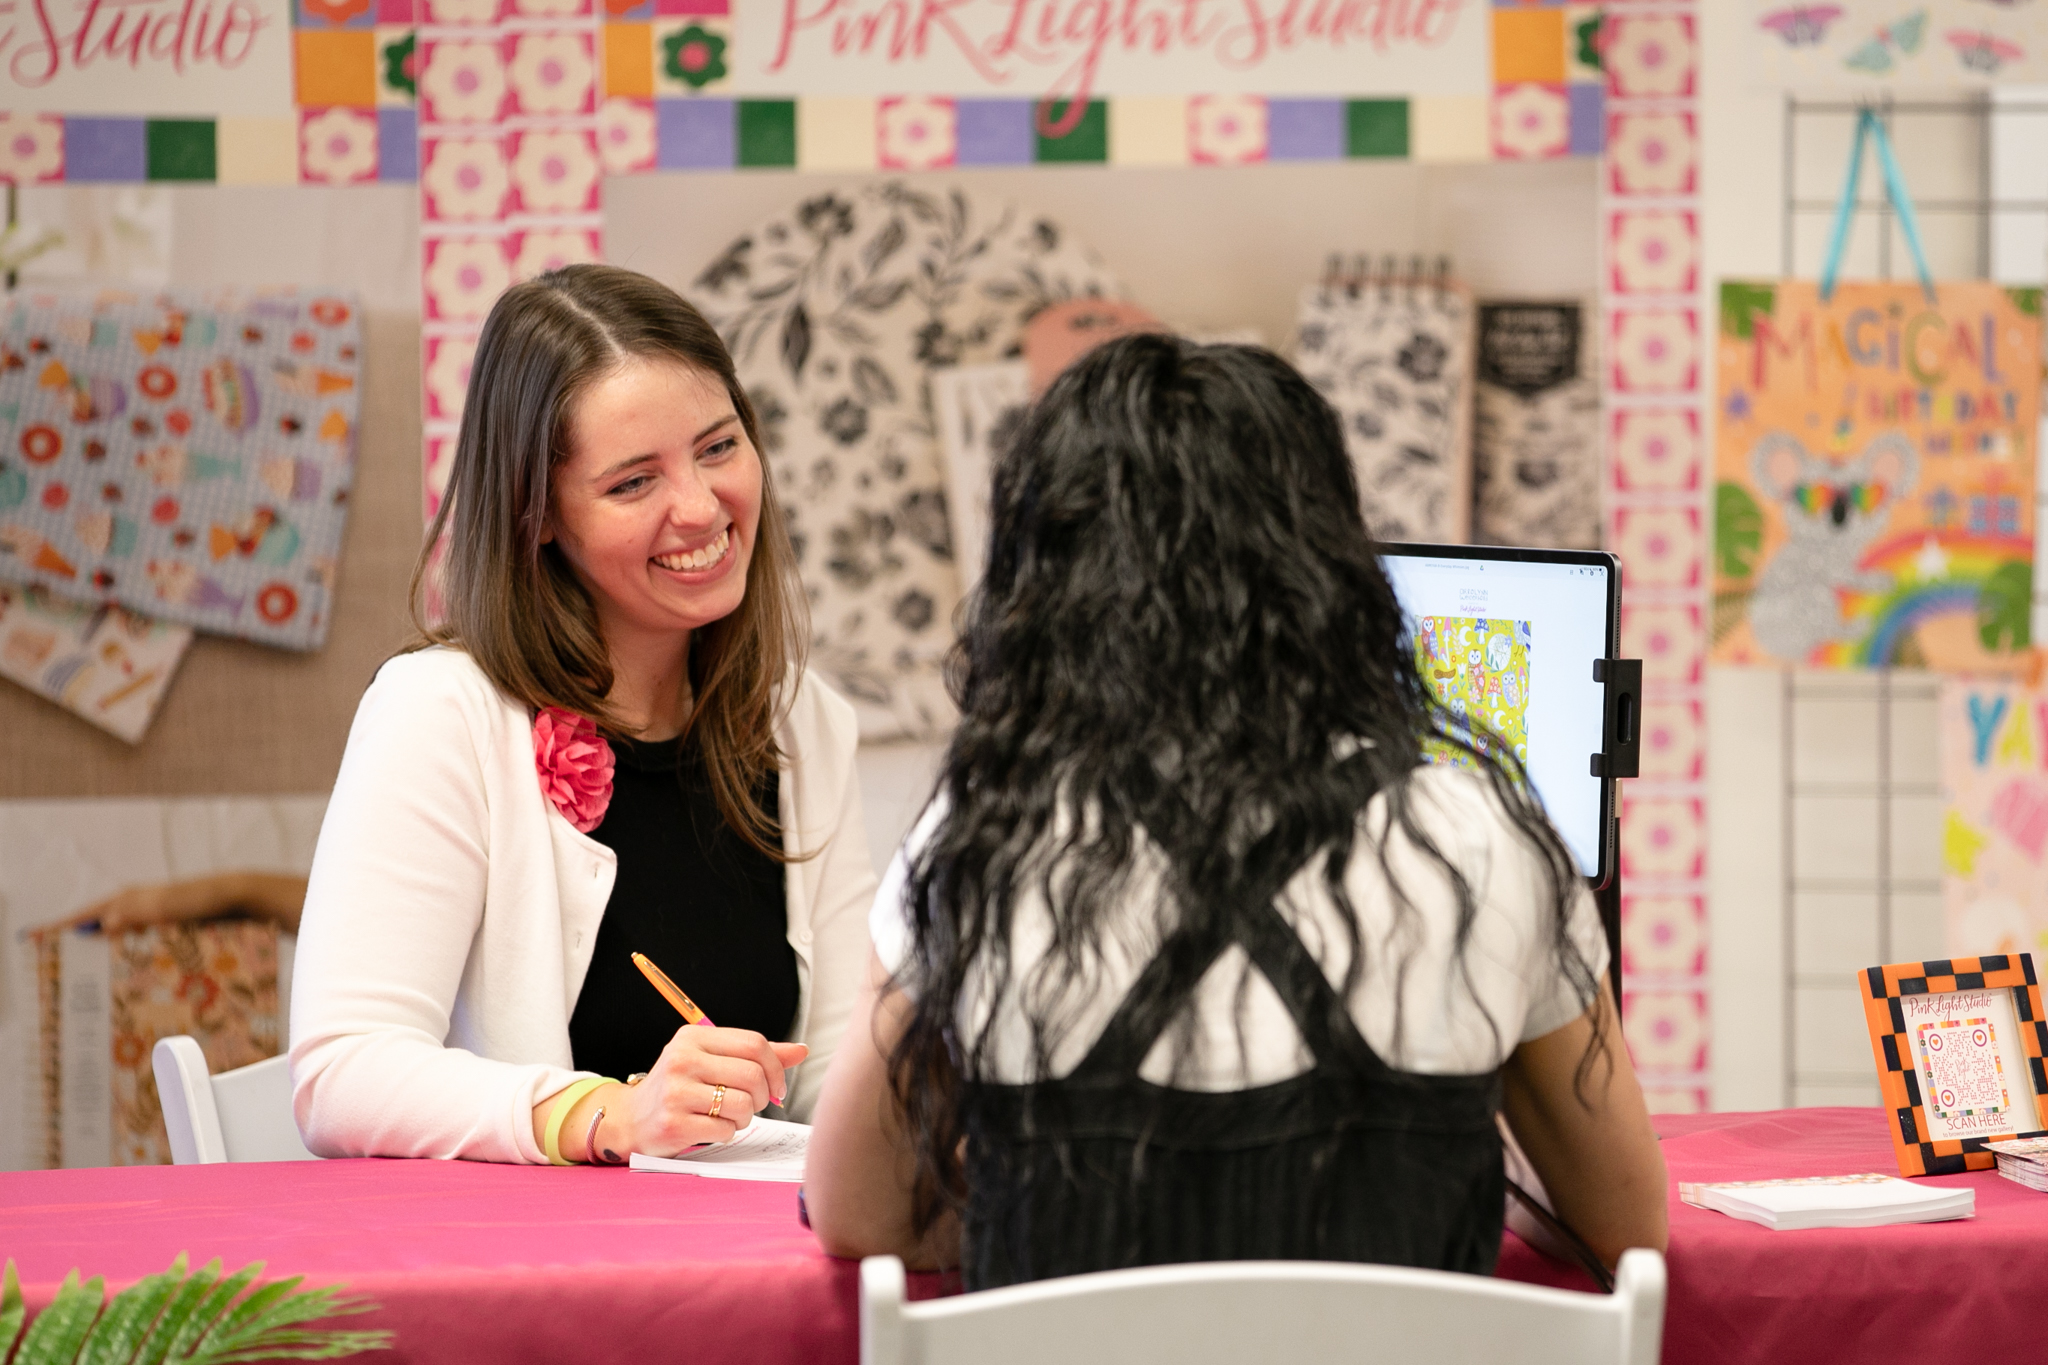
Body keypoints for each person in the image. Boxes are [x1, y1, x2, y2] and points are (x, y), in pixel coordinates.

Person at [804, 336, 1667, 1285]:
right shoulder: (1487, 837)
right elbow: (1624, 1226)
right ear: (1333, 561)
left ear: (1046, 586)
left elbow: (855, 1211)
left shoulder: (986, 839)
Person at [289, 265, 876, 1166]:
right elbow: (342, 1073)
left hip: (747, 1270)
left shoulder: (804, 720)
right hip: (522, 1279)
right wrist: (609, 1114)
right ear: (539, 517)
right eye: (634, 482)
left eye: (719, 448)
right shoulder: (441, 714)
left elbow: (837, 1076)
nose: (700, 506)